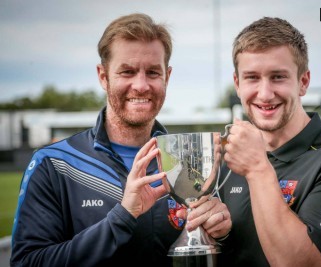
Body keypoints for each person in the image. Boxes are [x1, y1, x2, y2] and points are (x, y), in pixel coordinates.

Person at [10, 13, 231, 267]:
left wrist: (221, 234)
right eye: (127, 71)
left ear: (167, 77)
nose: (141, 85)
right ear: (103, 76)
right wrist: (123, 217)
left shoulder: (191, 165)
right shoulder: (54, 164)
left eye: (152, 73)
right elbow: (27, 262)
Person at [217, 17, 321, 267]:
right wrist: (214, 232)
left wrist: (258, 170)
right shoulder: (227, 160)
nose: (264, 93)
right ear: (238, 84)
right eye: (252, 77)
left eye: (278, 77)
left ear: (303, 82)